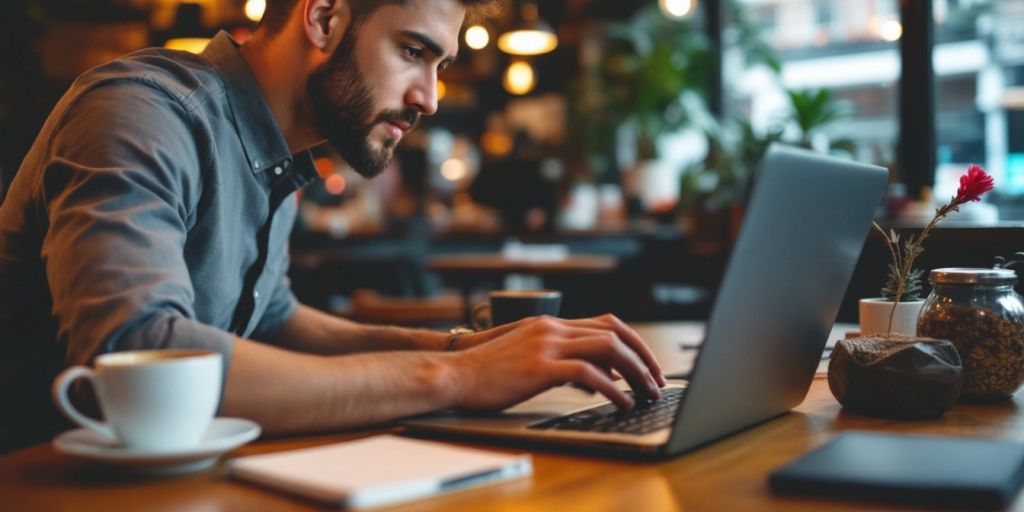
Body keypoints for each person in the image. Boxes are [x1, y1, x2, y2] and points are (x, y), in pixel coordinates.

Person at [0, 0, 664, 451]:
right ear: (323, 17)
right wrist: (457, 381)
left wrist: (463, 351)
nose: (430, 98)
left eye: (440, 66)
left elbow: (276, 323)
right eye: (412, 51)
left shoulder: (279, 154)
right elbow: (136, 353)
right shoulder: (142, 112)